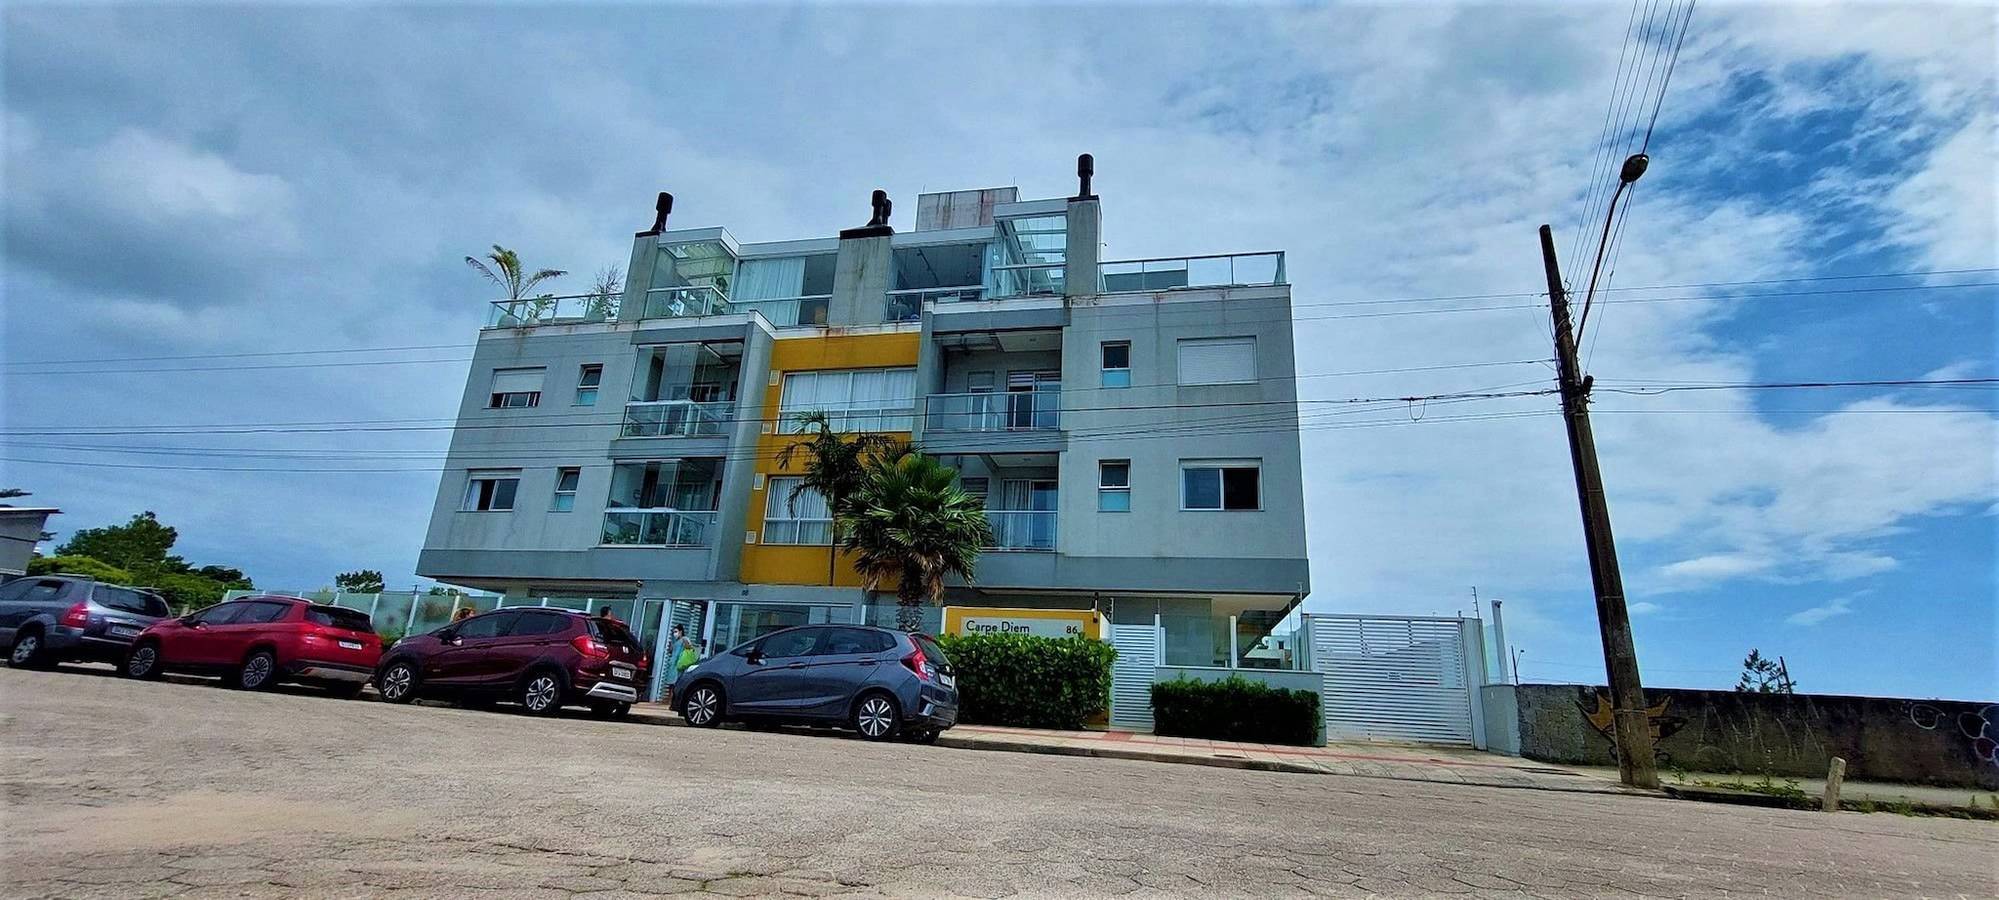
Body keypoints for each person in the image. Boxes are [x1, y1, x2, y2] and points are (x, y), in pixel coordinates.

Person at [657, 624, 697, 705]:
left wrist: (687, 645)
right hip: (672, 663)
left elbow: (690, 648)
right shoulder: (675, 641)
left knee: (676, 682)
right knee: (670, 683)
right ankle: (668, 698)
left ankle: (673, 700)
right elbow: (672, 651)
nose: (674, 634)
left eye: (676, 632)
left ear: (681, 631)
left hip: (679, 664)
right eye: (673, 632)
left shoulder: (684, 639)